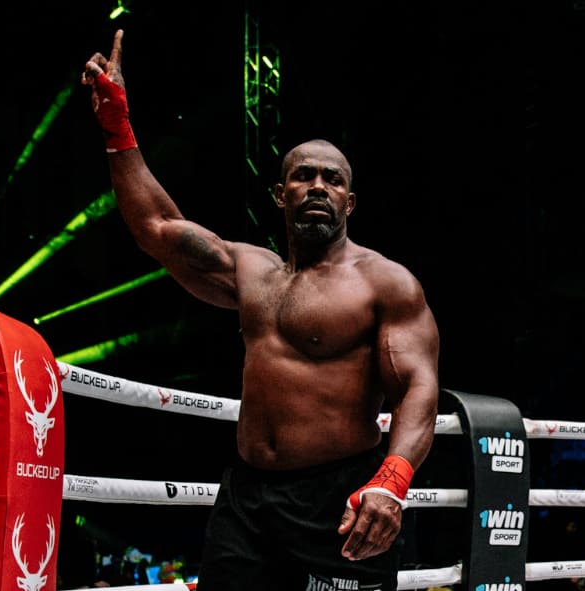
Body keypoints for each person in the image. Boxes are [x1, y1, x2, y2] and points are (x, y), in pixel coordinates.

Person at [81, 29, 441, 591]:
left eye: (333, 180)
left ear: (349, 201)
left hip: (339, 495)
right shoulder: (251, 271)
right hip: (247, 500)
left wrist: (392, 482)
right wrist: (116, 124)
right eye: (304, 176)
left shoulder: (385, 282)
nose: (318, 186)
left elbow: (418, 388)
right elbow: (157, 227)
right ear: (280, 194)